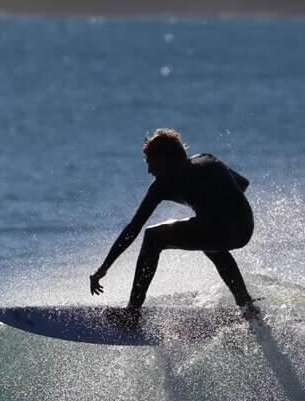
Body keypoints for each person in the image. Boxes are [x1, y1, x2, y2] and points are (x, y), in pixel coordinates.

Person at [89, 128, 259, 328]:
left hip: (218, 229)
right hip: (244, 227)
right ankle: (247, 306)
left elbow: (133, 229)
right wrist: (218, 201)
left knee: (153, 237)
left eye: (149, 163)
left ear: (162, 157)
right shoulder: (207, 158)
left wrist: (104, 268)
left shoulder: (163, 182)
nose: (149, 171)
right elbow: (242, 183)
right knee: (211, 243)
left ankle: (132, 313)